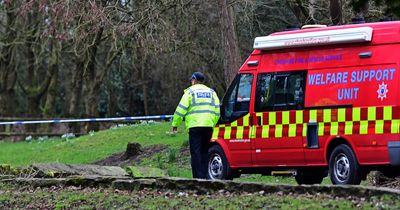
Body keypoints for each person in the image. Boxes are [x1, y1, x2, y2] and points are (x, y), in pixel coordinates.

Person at [171, 72, 220, 179]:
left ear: (194, 80)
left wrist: (175, 124)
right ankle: (207, 177)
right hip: (208, 127)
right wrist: (212, 123)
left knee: (196, 153)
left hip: (195, 127)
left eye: (191, 80)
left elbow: (180, 110)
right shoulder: (212, 93)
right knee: (205, 152)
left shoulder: (190, 92)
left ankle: (198, 178)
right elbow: (217, 111)